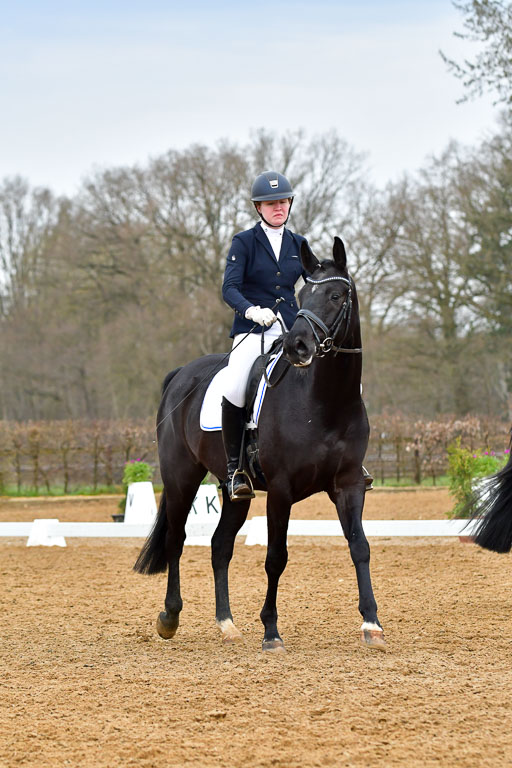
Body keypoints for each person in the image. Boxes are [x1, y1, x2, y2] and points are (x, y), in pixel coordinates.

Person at [221, 170, 309, 501]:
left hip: (289, 329)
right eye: (271, 203)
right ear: (259, 208)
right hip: (252, 329)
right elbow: (229, 288)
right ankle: (234, 470)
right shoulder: (243, 242)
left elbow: (313, 283)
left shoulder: (299, 244)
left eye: (283, 202)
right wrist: (251, 311)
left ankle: (344, 458)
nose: (278, 208)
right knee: (234, 387)